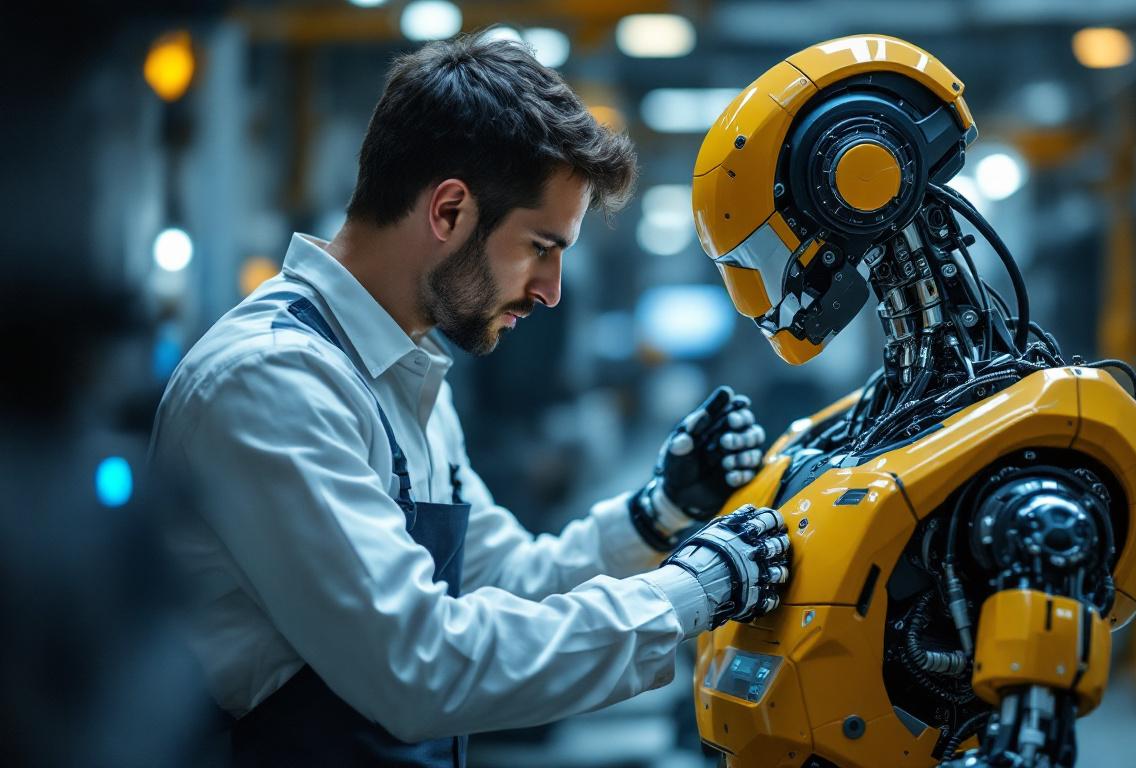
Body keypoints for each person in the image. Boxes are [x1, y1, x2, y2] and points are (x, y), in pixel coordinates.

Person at [149, 34, 790, 767]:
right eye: (540, 248)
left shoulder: (401, 370)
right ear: (450, 211)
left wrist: (658, 514)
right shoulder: (272, 384)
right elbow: (420, 667)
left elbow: (507, 585)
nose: (550, 291)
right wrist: (692, 592)